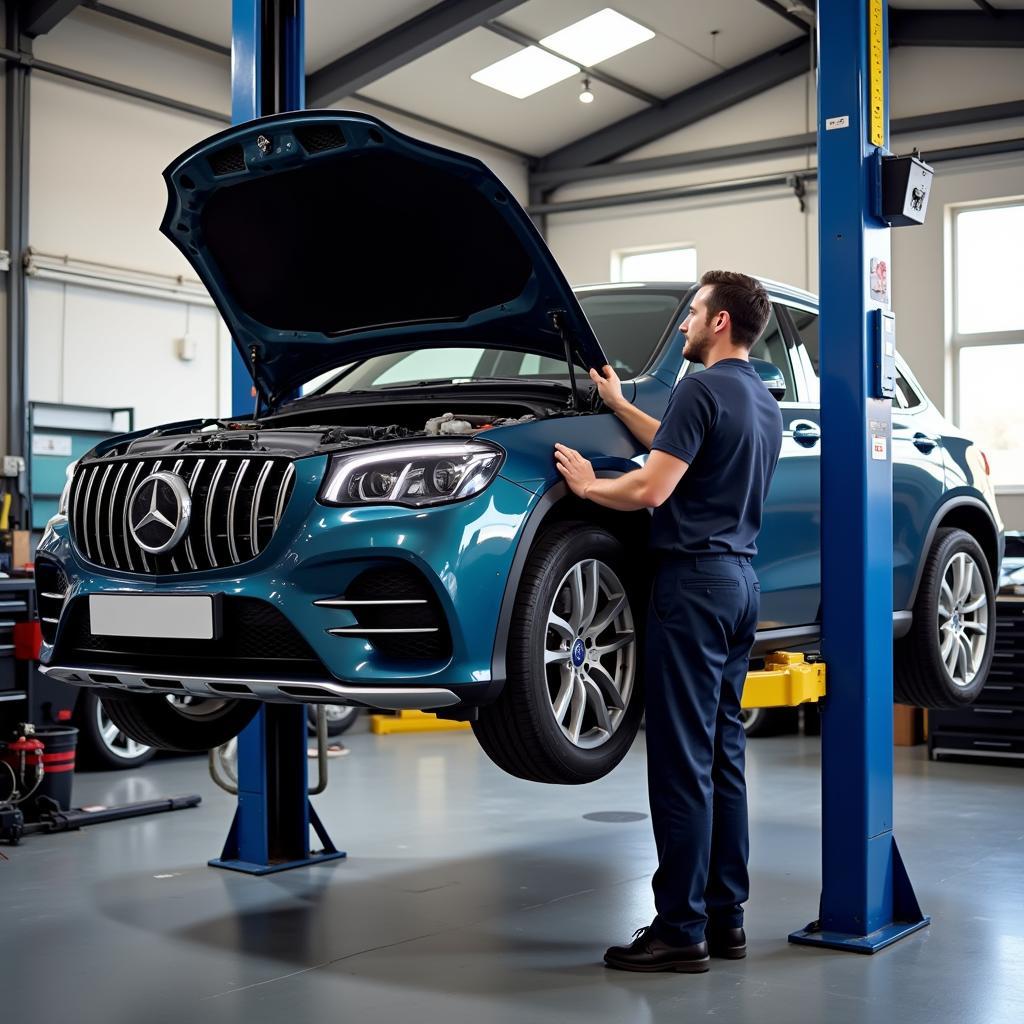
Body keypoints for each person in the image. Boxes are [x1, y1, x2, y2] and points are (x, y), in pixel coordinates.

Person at [553, 270, 783, 973]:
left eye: (692, 313)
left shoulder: (701, 387)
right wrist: (622, 405)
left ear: (719, 323)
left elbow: (655, 484)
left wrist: (593, 486)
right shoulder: (760, 400)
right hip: (741, 584)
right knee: (723, 758)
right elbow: (683, 444)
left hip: (692, 585)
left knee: (681, 765)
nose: (684, 322)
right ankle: (726, 920)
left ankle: (679, 929)